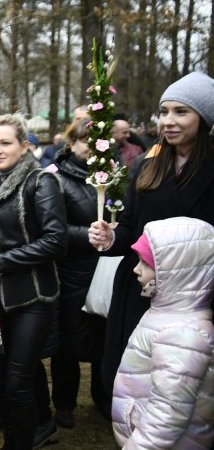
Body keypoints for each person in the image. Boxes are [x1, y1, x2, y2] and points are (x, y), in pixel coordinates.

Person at [88, 72, 214, 397]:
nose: (168, 121)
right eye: (164, 111)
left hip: (191, 293)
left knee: (178, 380)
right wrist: (110, 239)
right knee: (132, 370)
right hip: (138, 285)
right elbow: (130, 227)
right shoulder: (148, 164)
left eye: (180, 112)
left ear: (204, 117)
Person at [0, 114, 67, 450]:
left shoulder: (41, 182)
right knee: (2, 377)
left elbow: (56, 241)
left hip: (33, 296)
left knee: (18, 379)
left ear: (25, 146)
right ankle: (12, 445)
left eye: (5, 143)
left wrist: (1, 260)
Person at [112, 217, 214, 450]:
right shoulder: (167, 314)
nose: (136, 269)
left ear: (178, 272)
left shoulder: (183, 335)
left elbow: (166, 417)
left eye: (145, 263)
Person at [47, 118, 110, 429]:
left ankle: (103, 396)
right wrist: (87, 234)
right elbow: (54, 228)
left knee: (105, 336)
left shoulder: (112, 176)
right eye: (85, 140)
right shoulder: (57, 179)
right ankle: (64, 403)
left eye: (97, 140)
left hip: (107, 267)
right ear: (70, 143)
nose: (91, 146)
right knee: (69, 342)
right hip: (72, 271)